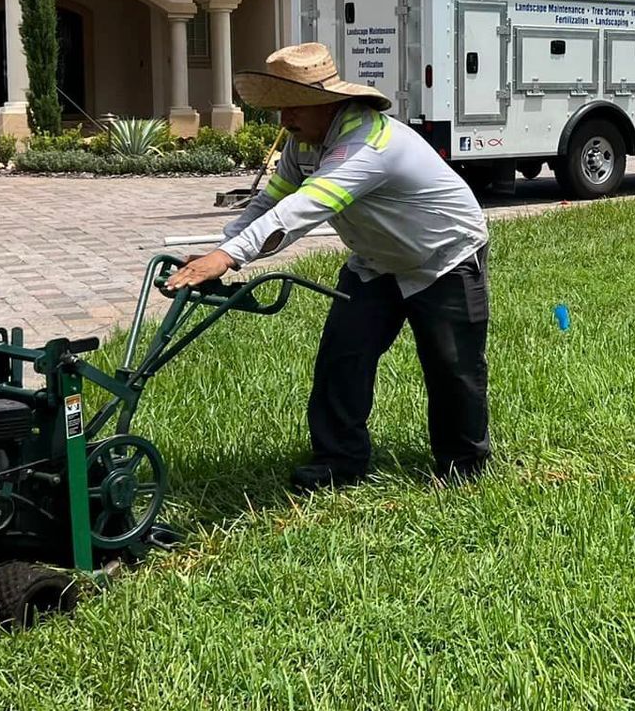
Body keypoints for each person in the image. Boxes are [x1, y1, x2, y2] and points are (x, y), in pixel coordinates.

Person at [165, 43, 491, 493]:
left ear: (328, 103)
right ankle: (339, 461)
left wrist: (228, 258)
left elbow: (302, 210)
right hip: (376, 261)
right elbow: (271, 200)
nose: (285, 121)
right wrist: (221, 249)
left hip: (444, 257)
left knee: (452, 365)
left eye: (293, 108)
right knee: (343, 356)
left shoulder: (369, 145)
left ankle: (465, 468)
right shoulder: (307, 143)